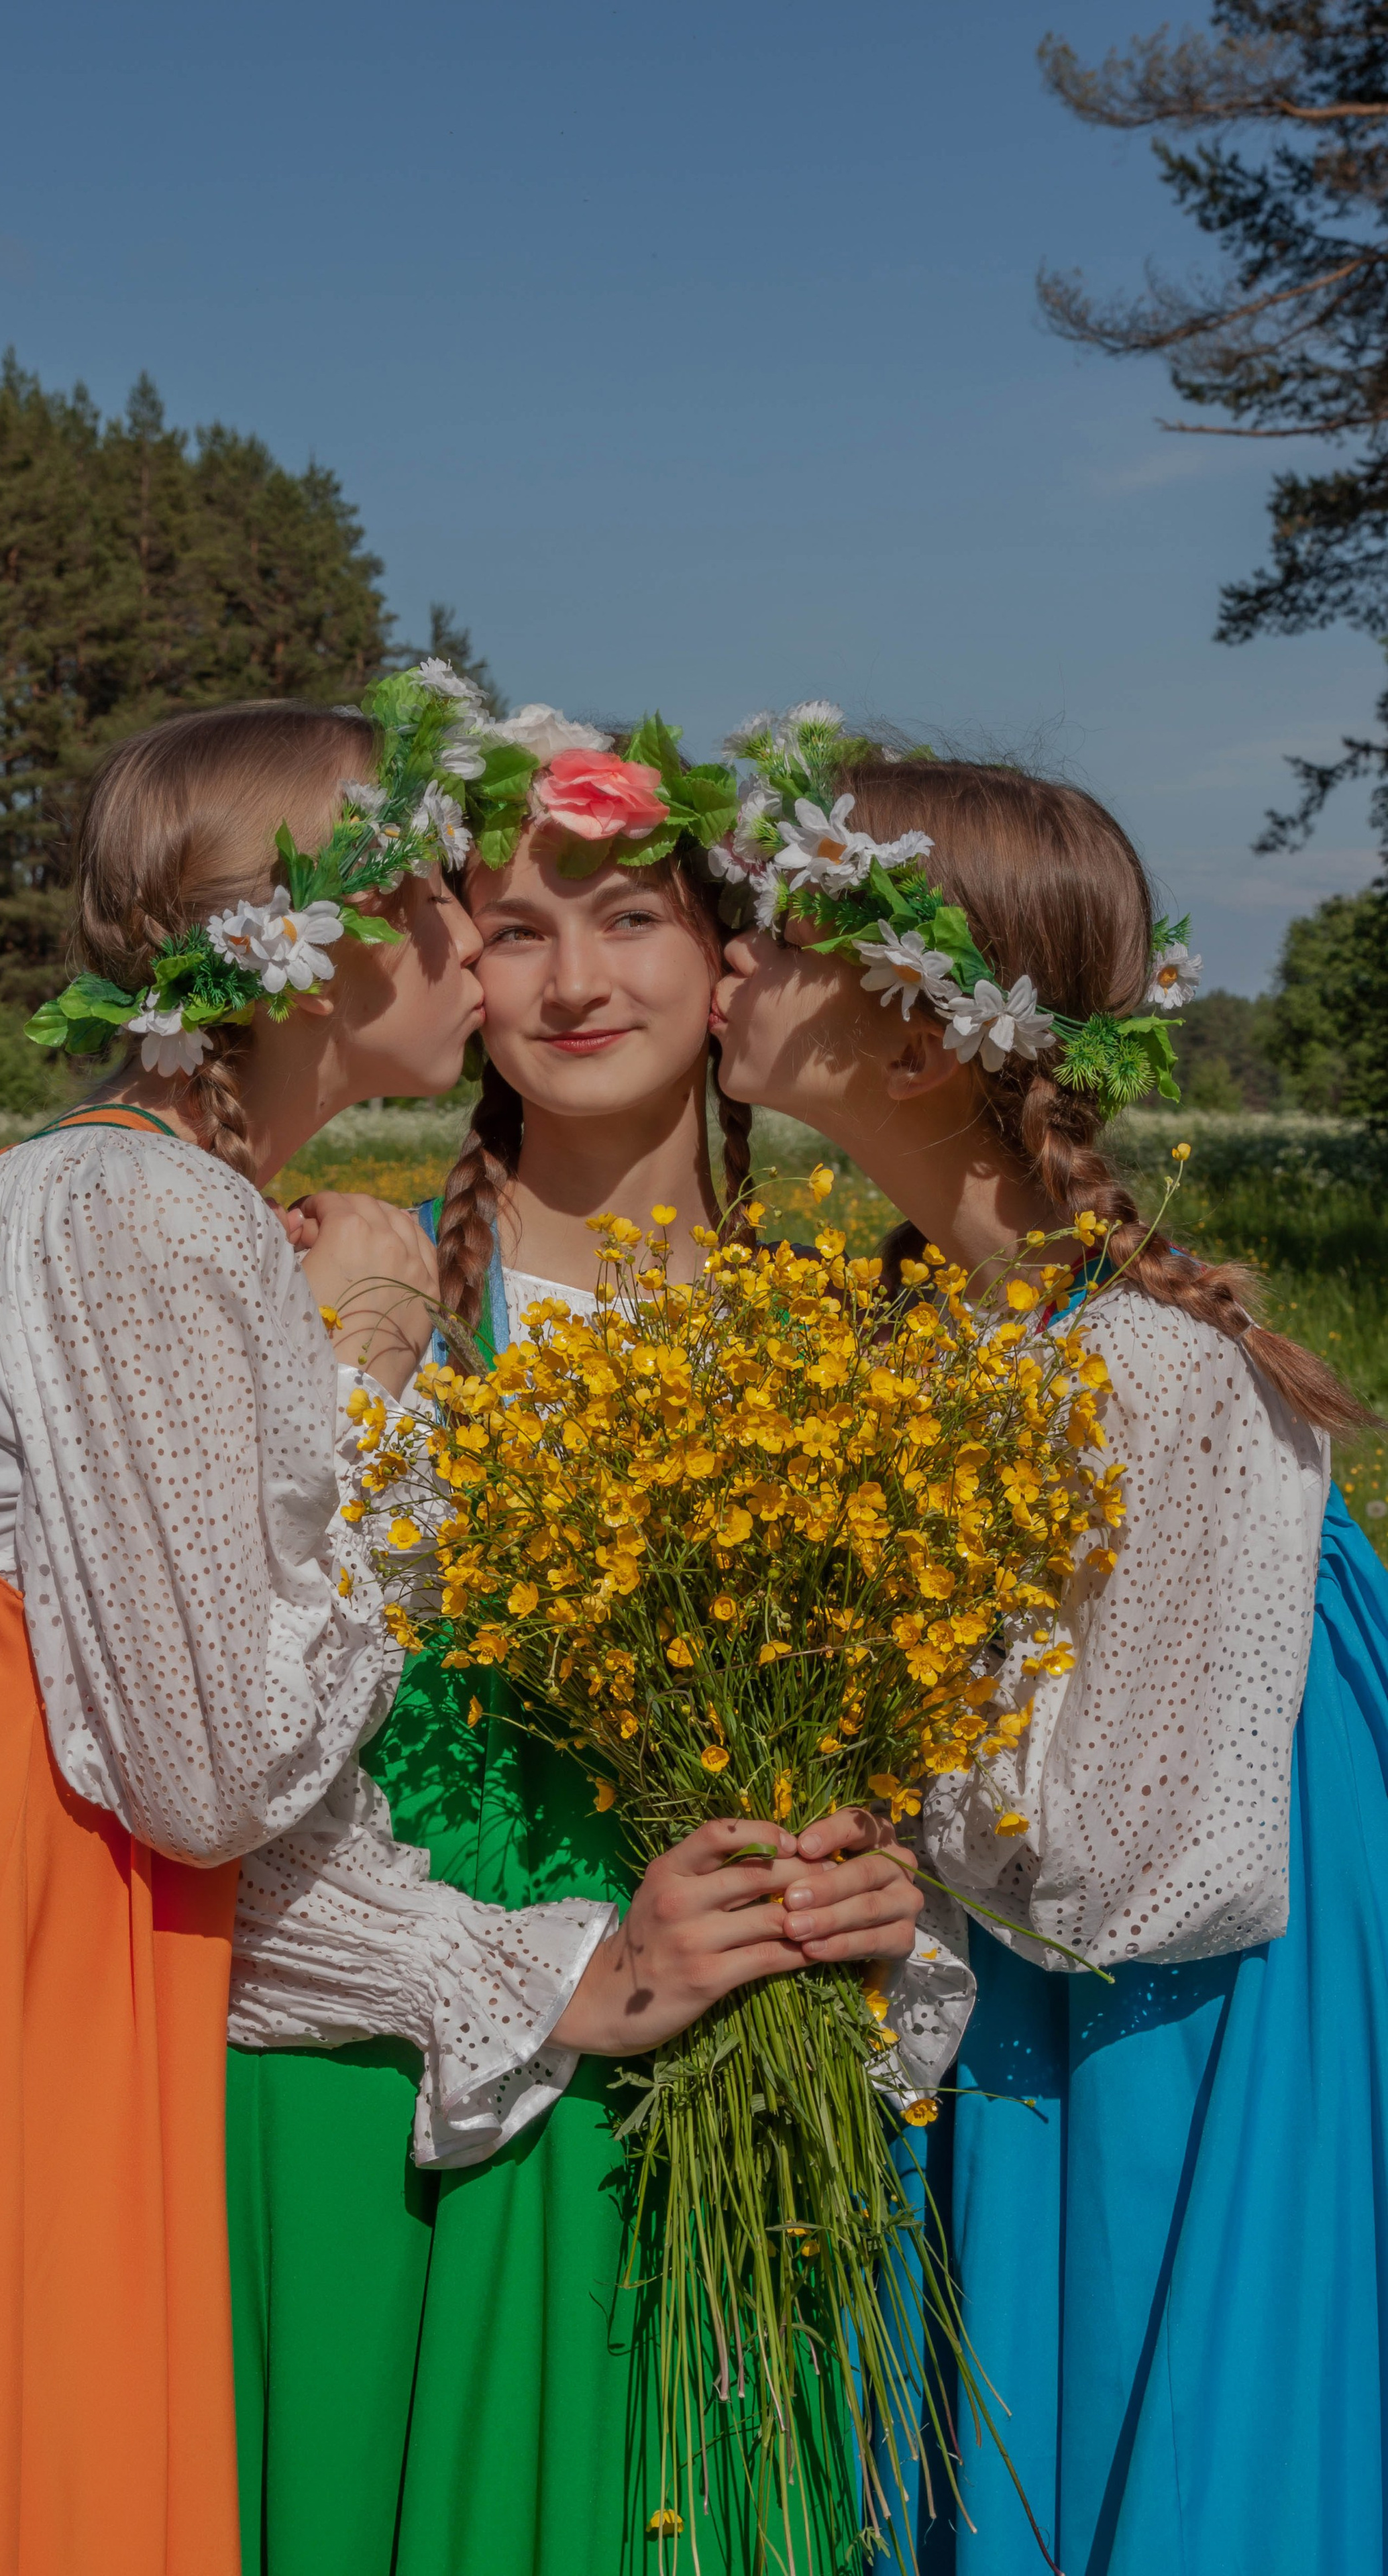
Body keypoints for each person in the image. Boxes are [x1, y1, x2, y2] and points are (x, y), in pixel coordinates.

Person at [0, 684, 814, 2576]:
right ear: (313, 943)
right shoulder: (144, 1215)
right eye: (442, 901)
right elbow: (215, 1765)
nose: (476, 944)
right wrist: (372, 1357)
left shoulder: (141, 1198)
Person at [226, 730, 957, 2576]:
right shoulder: (351, 1289)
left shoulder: (872, 1345)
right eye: (514, 928)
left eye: (630, 918)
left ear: (730, 964)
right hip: (411, 2103)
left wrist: (888, 1896)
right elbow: (233, 1752)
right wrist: (554, 1977)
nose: (571, 983)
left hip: (751, 2121)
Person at [710, 717, 1388, 2576]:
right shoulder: (928, 1333)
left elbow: (1152, 1868)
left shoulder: (1154, 1376)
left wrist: (863, 1796)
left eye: (782, 929)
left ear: (920, 1042)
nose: (731, 952)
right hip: (1018, 2016)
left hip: (1145, 2071)